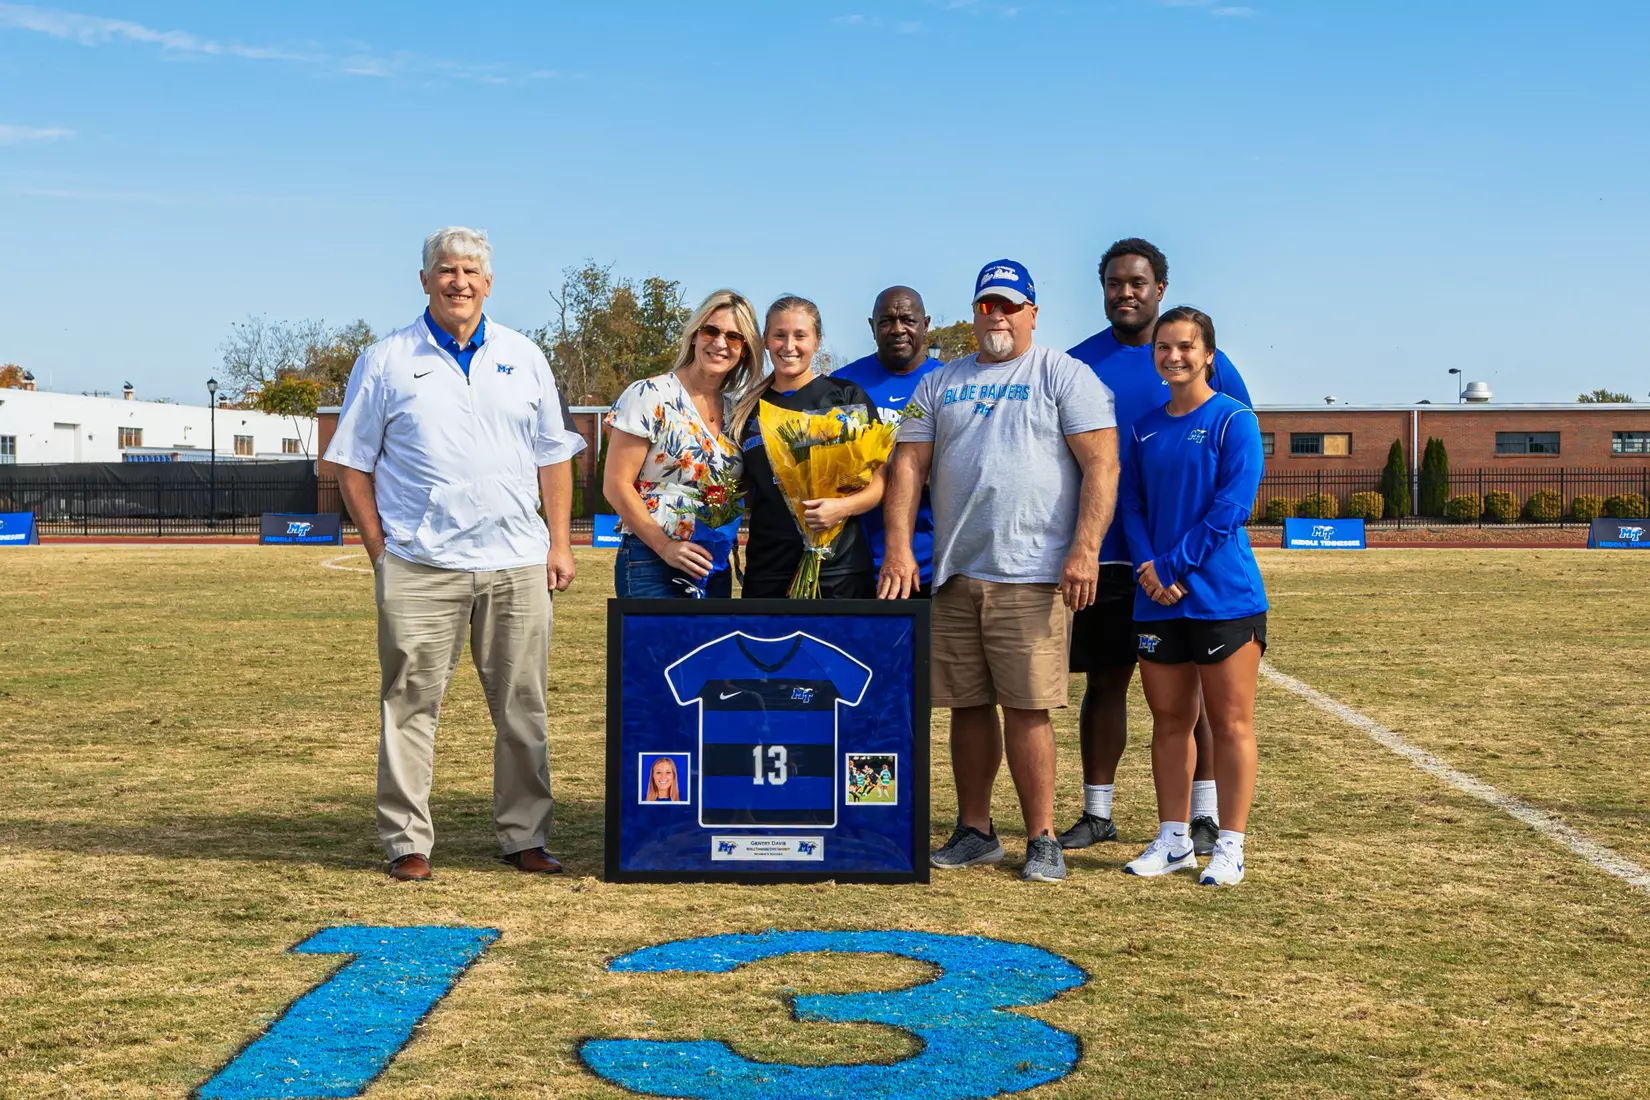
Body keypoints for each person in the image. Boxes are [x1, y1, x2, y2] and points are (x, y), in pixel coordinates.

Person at [326, 226, 585, 882]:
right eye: (446, 270)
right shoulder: (387, 359)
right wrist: (382, 552)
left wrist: (558, 543)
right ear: (424, 280)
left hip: (517, 562)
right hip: (420, 565)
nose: (459, 281)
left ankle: (525, 835)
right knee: (410, 702)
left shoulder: (524, 356)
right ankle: (407, 842)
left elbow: (554, 455)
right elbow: (351, 466)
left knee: (523, 705)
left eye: (471, 271)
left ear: (489, 283)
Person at [880, 259, 1118, 883]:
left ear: (1033, 312)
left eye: (1010, 305)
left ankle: (1041, 836)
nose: (998, 316)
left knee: (1028, 708)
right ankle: (976, 829)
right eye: (988, 304)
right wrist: (900, 548)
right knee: (965, 705)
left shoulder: (1063, 374)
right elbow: (908, 467)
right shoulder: (939, 382)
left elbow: (1102, 466)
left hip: (1031, 573)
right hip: (956, 572)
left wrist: (1085, 548)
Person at [1061, 238, 1253, 857]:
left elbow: (1233, 465)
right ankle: (1098, 811)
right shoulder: (1075, 363)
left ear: (1159, 289)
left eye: (1138, 282)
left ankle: (1203, 814)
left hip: (1188, 562)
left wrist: (1173, 560)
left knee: (1194, 694)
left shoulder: (1212, 365)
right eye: (1115, 282)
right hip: (1111, 556)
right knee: (1107, 681)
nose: (1126, 292)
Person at [1117, 307, 1267, 887]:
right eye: (1163, 347)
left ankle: (1230, 845)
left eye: (1185, 347)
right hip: (1157, 598)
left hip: (1223, 596)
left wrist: (1174, 564)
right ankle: (1174, 839)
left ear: (1208, 355)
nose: (1173, 356)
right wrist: (1149, 569)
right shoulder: (1145, 428)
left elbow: (1232, 508)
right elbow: (1131, 505)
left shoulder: (1234, 420)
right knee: (1169, 722)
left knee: (1231, 724)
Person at [604, 291, 761, 598]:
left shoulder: (738, 413)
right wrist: (665, 547)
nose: (719, 343)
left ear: (745, 350)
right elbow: (615, 485)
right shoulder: (651, 394)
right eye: (711, 330)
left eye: (733, 336)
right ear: (694, 336)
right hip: (651, 561)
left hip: (712, 567)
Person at [731, 296, 884, 599]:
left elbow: (880, 483)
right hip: (768, 571)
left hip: (840, 569)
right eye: (779, 335)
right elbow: (742, 489)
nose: (789, 346)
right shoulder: (746, 409)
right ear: (765, 340)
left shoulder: (846, 397)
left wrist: (842, 508)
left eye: (800, 335)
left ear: (817, 341)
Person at [832, 287, 946, 594]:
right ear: (872, 326)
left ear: (926, 324)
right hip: (854, 559)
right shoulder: (841, 385)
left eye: (908, 319)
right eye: (886, 321)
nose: (897, 329)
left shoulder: (950, 382)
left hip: (930, 562)